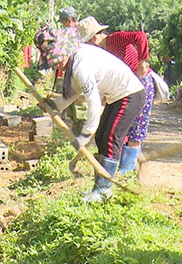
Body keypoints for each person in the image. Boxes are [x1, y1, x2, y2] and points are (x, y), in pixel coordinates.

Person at [34, 26, 145, 202]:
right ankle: (99, 188)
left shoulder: (80, 64)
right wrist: (54, 105)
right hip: (118, 96)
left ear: (63, 52)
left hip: (130, 94)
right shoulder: (75, 60)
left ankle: (103, 191)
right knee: (102, 137)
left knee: (110, 138)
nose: (54, 64)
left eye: (54, 60)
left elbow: (93, 102)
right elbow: (73, 92)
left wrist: (85, 134)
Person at [77, 16, 151, 174]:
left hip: (140, 84)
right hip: (121, 90)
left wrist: (142, 61)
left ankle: (126, 172)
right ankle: (113, 169)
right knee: (112, 130)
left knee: (134, 133)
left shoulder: (115, 39)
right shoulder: (104, 52)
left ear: (95, 37)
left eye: (88, 43)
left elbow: (141, 36)